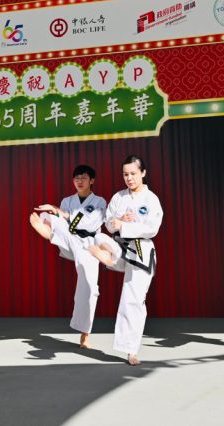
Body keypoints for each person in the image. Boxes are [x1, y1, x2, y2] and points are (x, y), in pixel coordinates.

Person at [88, 155, 163, 365]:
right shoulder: (119, 197)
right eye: (125, 174)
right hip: (120, 245)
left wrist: (125, 225)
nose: (129, 178)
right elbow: (108, 223)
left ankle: (131, 350)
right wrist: (119, 221)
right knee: (99, 238)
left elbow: (152, 229)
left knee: (132, 299)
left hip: (140, 250)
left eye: (133, 174)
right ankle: (107, 256)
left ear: (143, 173)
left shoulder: (151, 199)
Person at [29, 164, 107, 348]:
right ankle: (48, 231)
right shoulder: (67, 201)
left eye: (83, 178)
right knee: (50, 216)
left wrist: (61, 213)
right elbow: (65, 222)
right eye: (76, 178)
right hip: (70, 239)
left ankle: (85, 334)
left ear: (91, 181)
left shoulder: (99, 202)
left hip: (89, 245)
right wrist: (56, 213)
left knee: (88, 288)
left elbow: (90, 224)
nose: (79, 181)